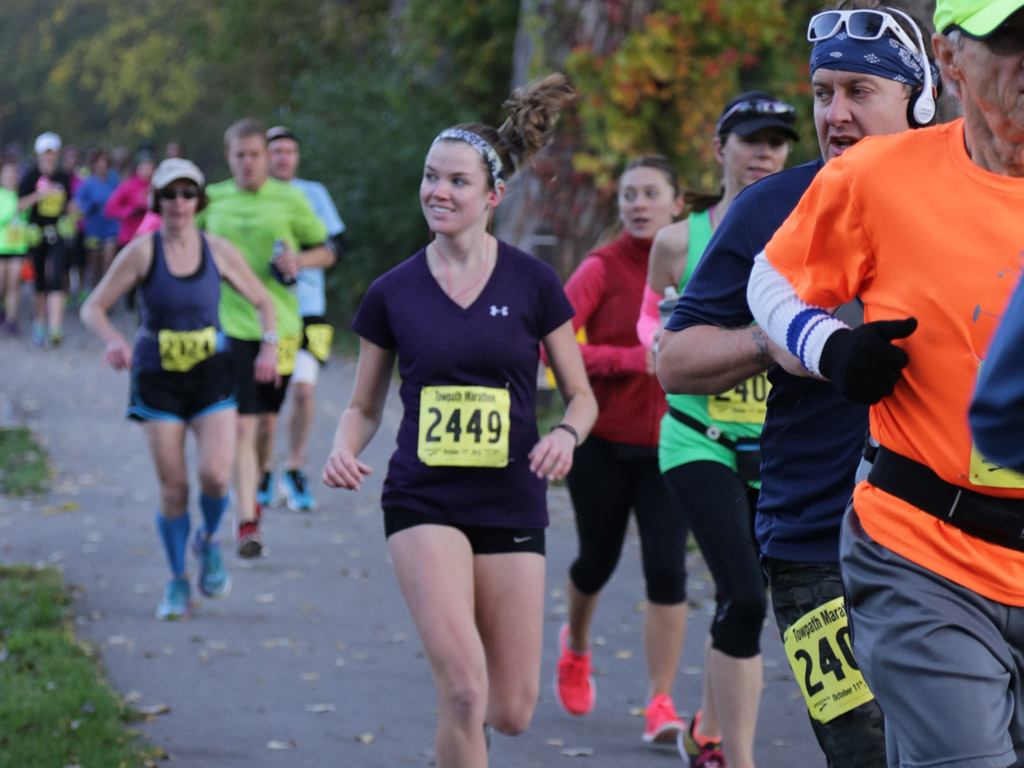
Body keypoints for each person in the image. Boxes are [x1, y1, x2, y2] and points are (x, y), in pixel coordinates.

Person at [657, 4, 939, 766]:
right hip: (813, 539)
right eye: (823, 92)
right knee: (865, 754)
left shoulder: (972, 195)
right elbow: (675, 360)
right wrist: (776, 339)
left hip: (949, 536)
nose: (834, 114)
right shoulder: (772, 207)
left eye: (859, 91)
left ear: (918, 99)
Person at [746, 2, 1024, 765]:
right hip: (924, 551)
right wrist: (829, 346)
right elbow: (772, 278)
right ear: (951, 59)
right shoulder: (881, 177)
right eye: (1007, 39)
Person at [321, 74, 596, 768]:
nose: (437, 192)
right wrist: (342, 446)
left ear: (493, 196)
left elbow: (582, 396)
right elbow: (364, 405)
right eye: (429, 177)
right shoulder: (393, 291)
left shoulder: (533, 283)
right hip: (424, 500)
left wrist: (565, 434)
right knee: (466, 694)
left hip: (510, 497)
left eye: (456, 182)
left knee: (510, 709)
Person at [633, 92, 795, 768]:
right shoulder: (678, 240)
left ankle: (705, 722)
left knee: (739, 596)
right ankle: (735, 756)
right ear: (719, 147)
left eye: (778, 141)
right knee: (747, 595)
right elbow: (650, 319)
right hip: (696, 437)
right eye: (751, 140)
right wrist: (655, 346)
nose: (765, 153)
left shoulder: (800, 226)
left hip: (773, 443)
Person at [80, 158, 278, 619]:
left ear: (200, 200)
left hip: (211, 372)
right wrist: (114, 341)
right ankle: (176, 582)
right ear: (158, 200)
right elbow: (94, 307)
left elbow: (263, 300)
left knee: (215, 474)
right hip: (158, 377)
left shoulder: (219, 249)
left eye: (188, 194)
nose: (179, 203)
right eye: (169, 194)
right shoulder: (143, 251)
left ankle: (208, 541)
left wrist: (269, 348)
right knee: (174, 489)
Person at [552, 155, 690, 746]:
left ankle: (660, 700)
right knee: (596, 561)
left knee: (667, 568)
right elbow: (551, 341)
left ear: (677, 204)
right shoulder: (601, 267)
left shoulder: (696, 262)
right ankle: (576, 646)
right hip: (603, 443)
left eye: (650, 194)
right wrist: (627, 360)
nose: (637, 204)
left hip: (672, 447)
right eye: (629, 195)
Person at [198, 118, 331, 557]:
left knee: (265, 424)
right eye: (240, 156)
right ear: (228, 156)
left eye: (255, 155)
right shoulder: (210, 199)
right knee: (241, 423)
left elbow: (328, 250)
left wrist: (299, 260)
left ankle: (257, 479)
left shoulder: (290, 199)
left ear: (265, 157)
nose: (248, 164)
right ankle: (247, 520)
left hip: (283, 329)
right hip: (229, 326)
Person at [260, 125, 345, 512]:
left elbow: (336, 247)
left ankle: (293, 469)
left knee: (305, 389)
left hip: (311, 307)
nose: (283, 158)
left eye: (289, 151)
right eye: (275, 151)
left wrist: (299, 262)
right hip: (266, 310)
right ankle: (262, 472)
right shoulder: (253, 197)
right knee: (267, 401)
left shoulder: (314, 194)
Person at [19, 131, 75, 347]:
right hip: (36, 234)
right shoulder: (31, 176)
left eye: (53, 152)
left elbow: (67, 203)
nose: (49, 156)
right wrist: (40, 194)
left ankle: (56, 329)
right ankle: (39, 325)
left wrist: (74, 209)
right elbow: (19, 204)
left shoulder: (63, 176)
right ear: (39, 153)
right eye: (46, 152)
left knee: (56, 276)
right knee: (40, 281)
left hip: (58, 233)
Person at [75, 149, 120, 290]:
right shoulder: (88, 183)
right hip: (94, 229)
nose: (102, 166)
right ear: (94, 165)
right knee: (95, 265)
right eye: (99, 163)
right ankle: (95, 288)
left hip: (111, 228)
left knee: (109, 260)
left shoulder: (114, 180)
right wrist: (89, 206)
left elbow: (121, 198)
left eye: (105, 163)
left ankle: (108, 292)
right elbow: (77, 205)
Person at [104, 151, 156, 251]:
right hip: (129, 238)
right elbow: (110, 208)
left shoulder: (156, 186)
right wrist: (129, 211)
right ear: (138, 168)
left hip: (151, 238)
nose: (148, 170)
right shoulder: (128, 186)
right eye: (145, 167)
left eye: (151, 167)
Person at [0, 161, 29, 334]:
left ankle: (12, 320)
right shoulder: (3, 196)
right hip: (1, 248)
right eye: (7, 173)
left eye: (14, 173)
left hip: (18, 248)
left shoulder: (20, 195)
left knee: (14, 286)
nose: (11, 176)